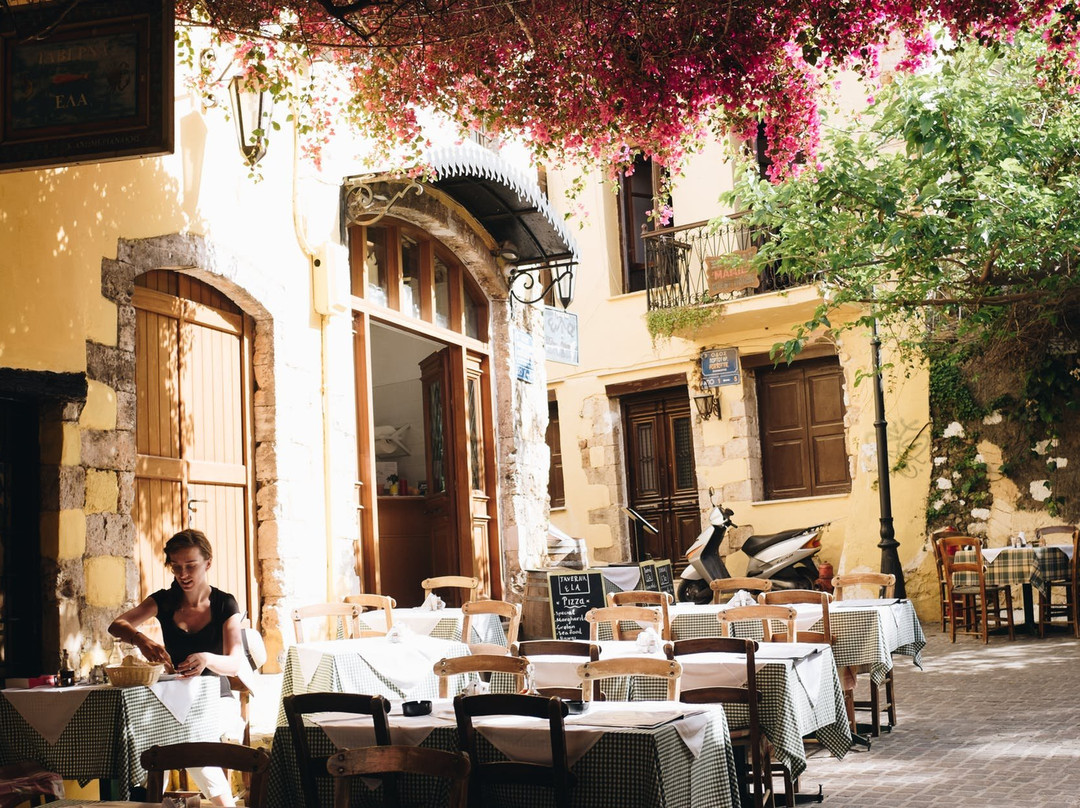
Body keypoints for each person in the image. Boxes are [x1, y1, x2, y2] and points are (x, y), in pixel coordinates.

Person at [109, 529, 246, 807]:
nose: (183, 574)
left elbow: (235, 663)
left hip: (215, 700)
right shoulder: (164, 599)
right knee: (142, 738)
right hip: (170, 702)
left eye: (191, 566)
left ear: (208, 563)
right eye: (176, 567)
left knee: (191, 742)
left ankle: (222, 805)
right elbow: (117, 625)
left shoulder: (224, 603)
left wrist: (207, 658)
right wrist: (141, 639)